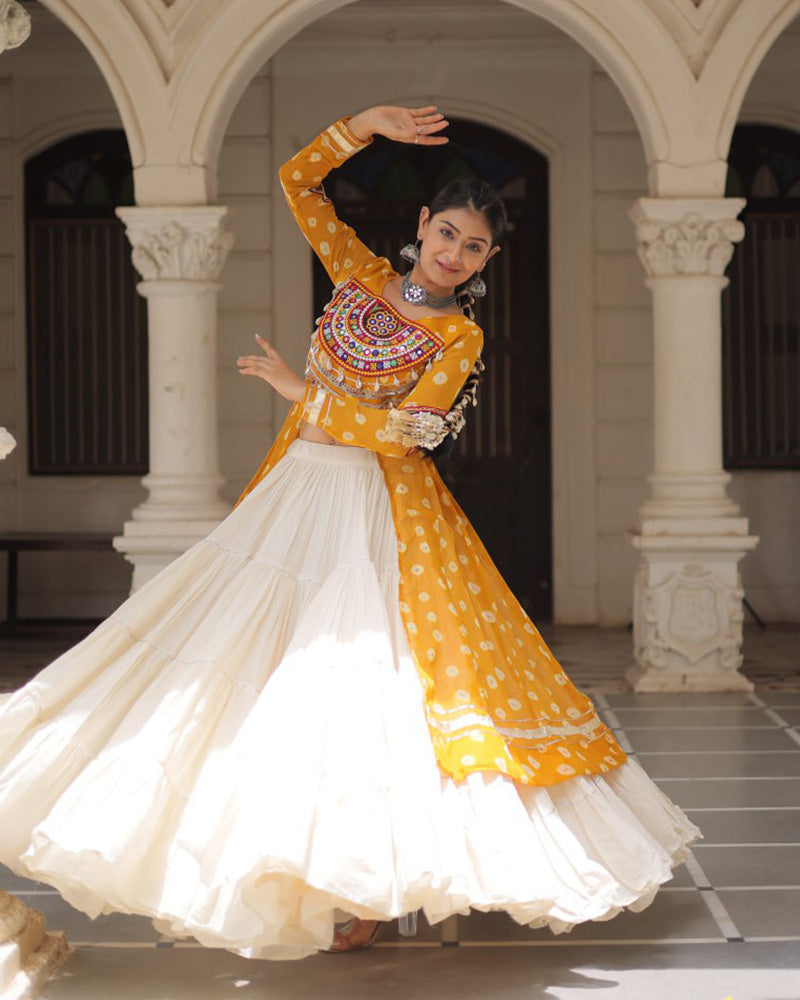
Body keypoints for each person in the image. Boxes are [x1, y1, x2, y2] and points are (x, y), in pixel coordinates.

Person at [0, 105, 702, 960]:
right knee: (260, 673)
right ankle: (292, 866)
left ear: (487, 261)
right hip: (295, 491)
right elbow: (298, 183)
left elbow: (412, 430)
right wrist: (362, 127)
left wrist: (305, 395)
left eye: (474, 247)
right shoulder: (358, 273)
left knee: (367, 688)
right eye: (446, 232)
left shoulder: (459, 333)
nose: (454, 253)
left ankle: (370, 882)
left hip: (381, 509)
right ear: (420, 227)